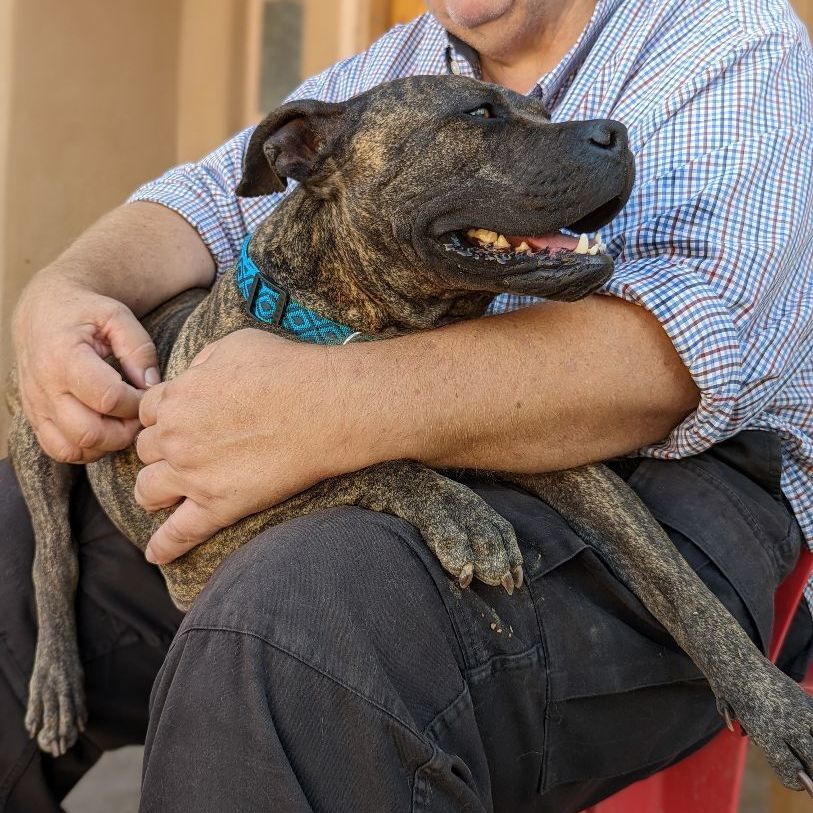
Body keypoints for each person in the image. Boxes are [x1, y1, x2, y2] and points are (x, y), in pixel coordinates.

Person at [2, 0, 812, 809]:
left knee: (299, 621)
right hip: (362, 470)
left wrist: (321, 410)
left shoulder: (727, 32)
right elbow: (203, 201)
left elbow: (677, 356)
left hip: (669, 488)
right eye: (491, 125)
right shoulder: (396, 68)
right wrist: (64, 290)